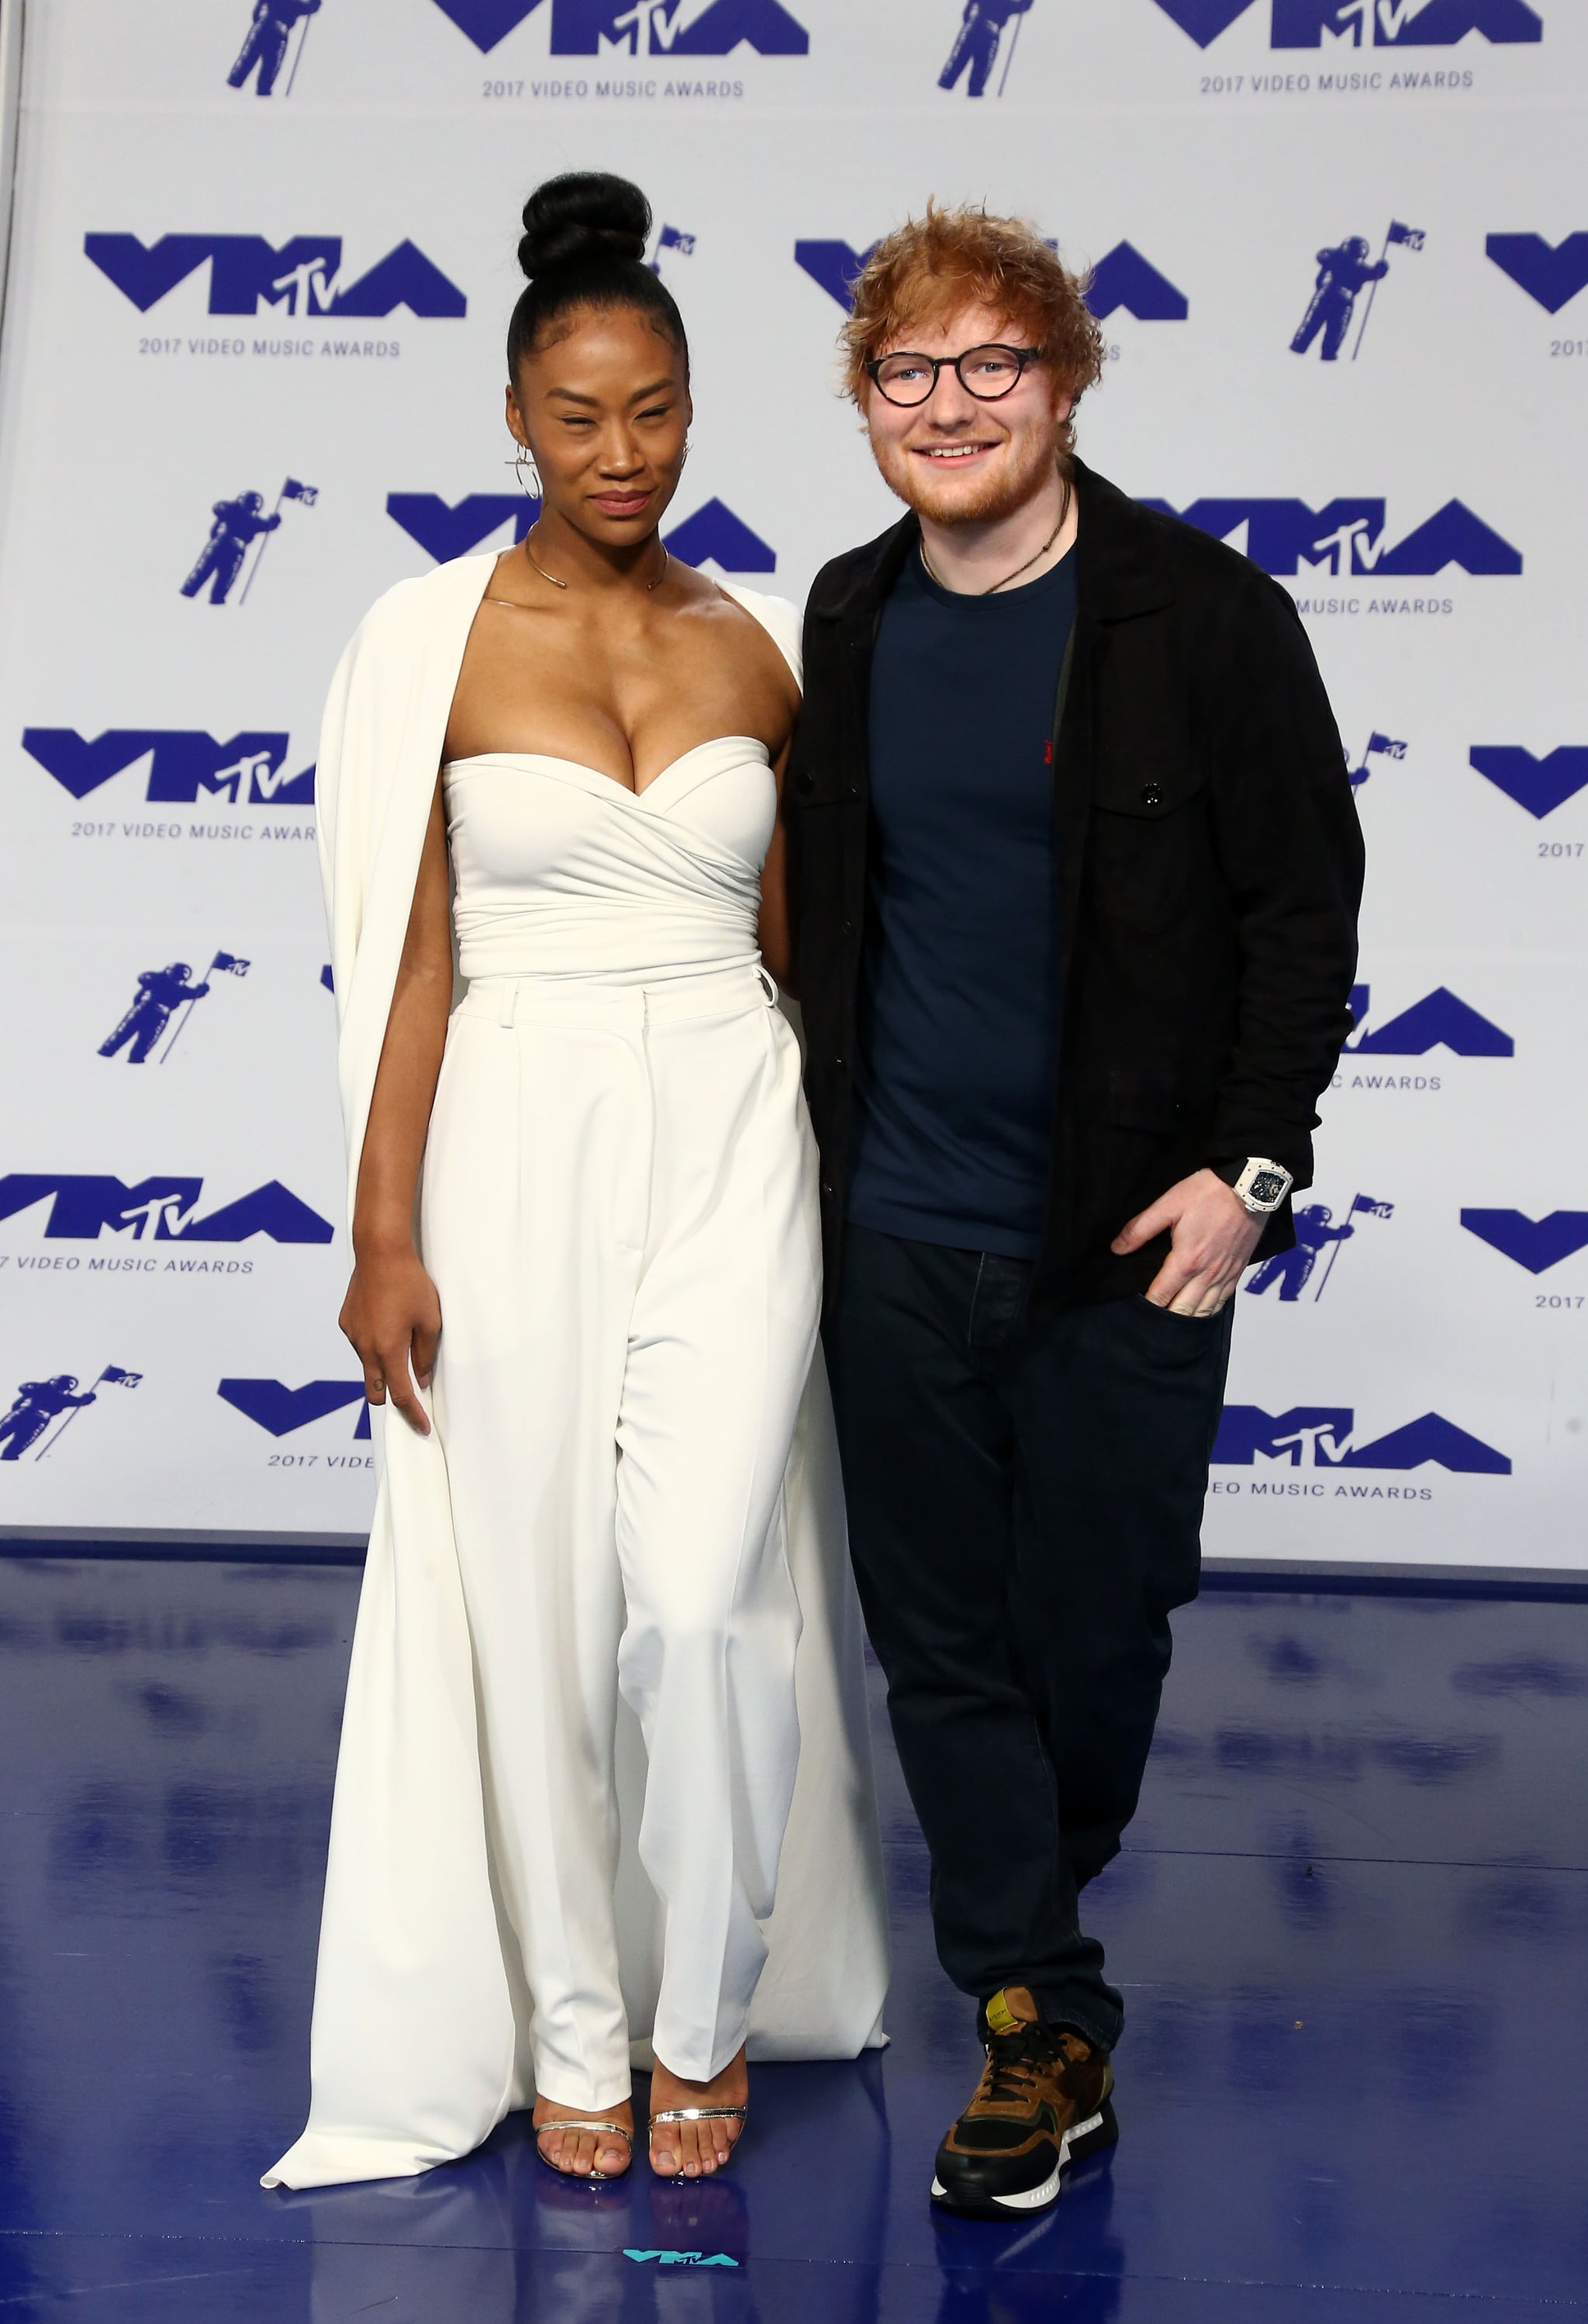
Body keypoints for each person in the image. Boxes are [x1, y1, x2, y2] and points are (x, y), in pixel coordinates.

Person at [264, 173, 888, 2195]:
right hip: (510, 1126)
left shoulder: (764, 641)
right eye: (579, 415)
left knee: (703, 1599)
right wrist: (381, 1231)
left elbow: (805, 948)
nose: (622, 452)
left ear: (696, 406)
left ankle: (703, 2008)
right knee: (535, 1608)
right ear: (517, 417)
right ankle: (567, 2027)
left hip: (733, 1122)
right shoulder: (428, 639)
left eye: (656, 410)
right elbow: (410, 959)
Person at [786, 203, 1363, 2220]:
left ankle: (1042, 1914)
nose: (945, 405)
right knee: (938, 1641)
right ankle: (1037, 2017)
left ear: (1064, 381)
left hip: (1126, 1236)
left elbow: (1302, 916)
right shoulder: (848, 615)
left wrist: (1250, 1173)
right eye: (905, 370)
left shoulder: (1200, 617)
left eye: (990, 365)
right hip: (892, 1226)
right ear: (866, 399)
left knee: (1095, 1630)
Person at [1291, 236, 1388, 362]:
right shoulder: (1337, 258)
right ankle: (1309, 349)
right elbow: (1322, 256)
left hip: (1338, 299)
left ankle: (1320, 351)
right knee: (1319, 325)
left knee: (1333, 329)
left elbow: (1374, 273)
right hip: (1330, 296)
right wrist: (1380, 269)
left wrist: (1381, 269)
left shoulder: (1356, 266)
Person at [98, 962, 211, 1064]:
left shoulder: (179, 988)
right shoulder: (160, 979)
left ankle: (128, 1058)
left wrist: (202, 990)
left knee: (143, 1040)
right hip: (146, 1009)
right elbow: (143, 978)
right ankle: (110, 1054)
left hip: (156, 1014)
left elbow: (194, 993)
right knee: (127, 1035)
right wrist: (201, 990)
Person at [180, 492, 278, 605]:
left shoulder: (235, 512)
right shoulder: (242, 515)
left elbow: (218, 508)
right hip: (230, 546)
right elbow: (267, 525)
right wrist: (273, 521)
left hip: (224, 544)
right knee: (221, 576)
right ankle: (209, 597)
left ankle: (195, 593)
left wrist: (273, 521)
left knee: (212, 573)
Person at [228, 0, 319, 96]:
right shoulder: (296, 4)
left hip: (263, 26)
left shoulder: (295, 4)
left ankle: (234, 85)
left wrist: (258, 21)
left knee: (246, 62)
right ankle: (258, 92)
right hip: (278, 32)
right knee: (268, 69)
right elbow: (311, 8)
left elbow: (258, 8)